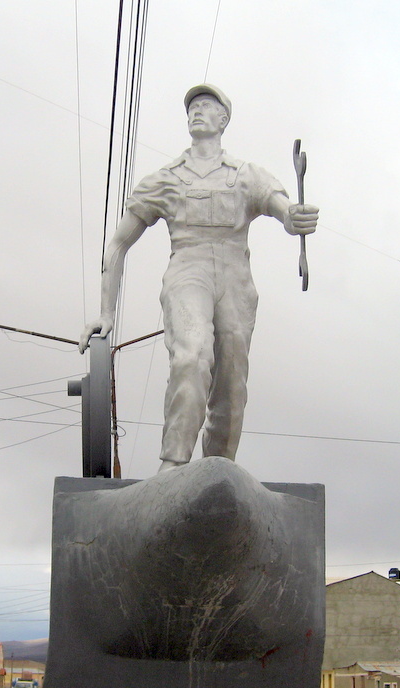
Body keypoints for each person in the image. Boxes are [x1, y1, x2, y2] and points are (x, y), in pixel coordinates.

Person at [80, 85, 318, 471]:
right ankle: (173, 463)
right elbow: (117, 245)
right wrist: (106, 314)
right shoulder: (166, 179)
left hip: (235, 276)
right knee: (191, 354)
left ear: (224, 120)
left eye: (207, 106)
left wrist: (295, 217)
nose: (197, 112)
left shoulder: (246, 176)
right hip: (188, 270)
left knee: (232, 381)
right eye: (192, 107)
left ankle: (217, 472)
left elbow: (284, 211)